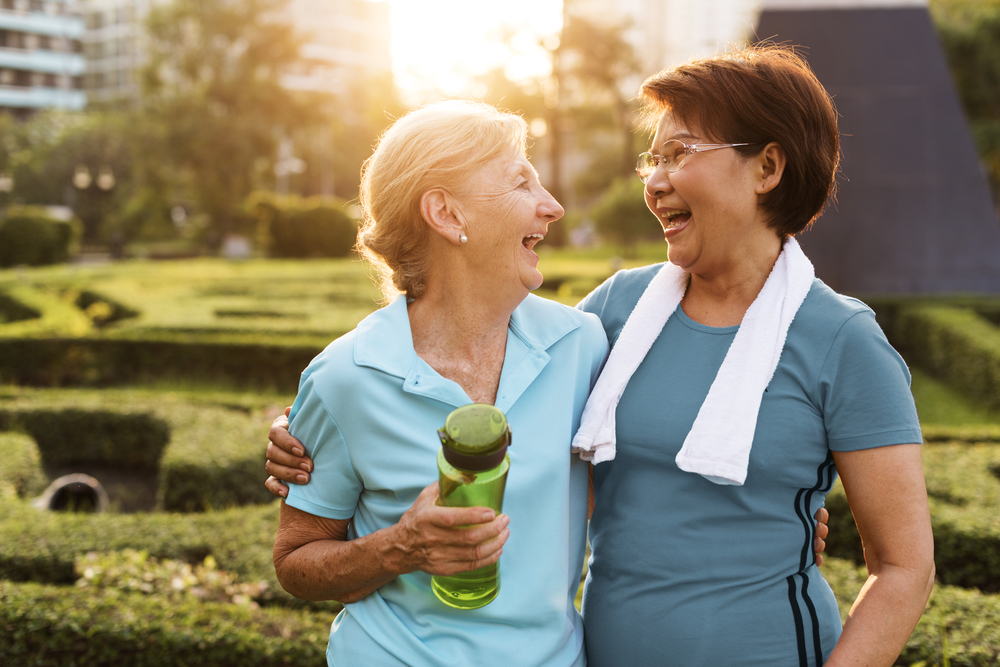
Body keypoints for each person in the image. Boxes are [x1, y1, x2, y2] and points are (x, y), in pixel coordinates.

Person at [263, 44, 923, 666]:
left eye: (679, 153)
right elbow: (459, 358)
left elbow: (901, 566)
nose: (654, 181)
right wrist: (304, 429)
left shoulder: (842, 341)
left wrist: (778, 512)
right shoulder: (613, 315)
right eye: (651, 159)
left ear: (768, 168)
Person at [271, 99, 609, 666]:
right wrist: (398, 548)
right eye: (520, 182)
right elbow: (296, 562)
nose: (553, 207)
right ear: (448, 214)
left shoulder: (583, 347)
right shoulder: (343, 377)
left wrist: (797, 506)